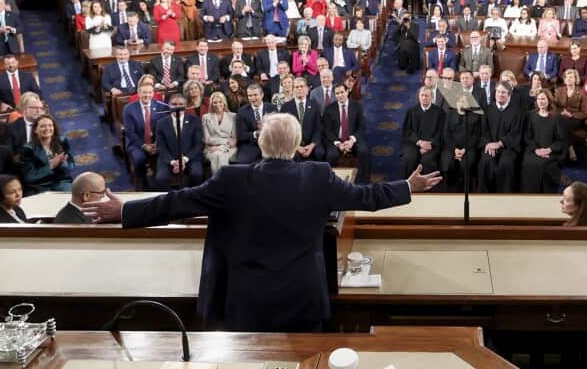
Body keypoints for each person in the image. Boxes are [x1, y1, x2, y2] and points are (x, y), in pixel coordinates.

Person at [83, 113, 441, 332]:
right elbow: (368, 198)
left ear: (261, 143)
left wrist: (125, 211)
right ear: (298, 143)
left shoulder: (231, 180)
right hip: (304, 300)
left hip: (248, 303)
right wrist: (407, 187)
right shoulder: (318, 176)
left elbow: (176, 203)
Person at [479, 82, 523, 192]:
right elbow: (484, 130)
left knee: (505, 164)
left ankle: (504, 197)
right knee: (485, 162)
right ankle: (483, 197)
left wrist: (499, 143)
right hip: (490, 147)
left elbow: (516, 133)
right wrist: (488, 144)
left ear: (509, 95)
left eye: (503, 92)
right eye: (498, 91)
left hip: (508, 147)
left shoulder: (517, 111)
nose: (500, 94)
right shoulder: (488, 109)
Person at [521, 90, 567, 193]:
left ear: (549, 100)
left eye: (543, 99)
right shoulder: (530, 115)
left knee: (544, 164)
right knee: (529, 162)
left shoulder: (556, 117)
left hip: (551, 151)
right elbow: (527, 137)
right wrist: (536, 150)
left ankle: (546, 193)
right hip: (533, 150)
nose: (540, 101)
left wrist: (549, 149)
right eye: (538, 99)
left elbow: (561, 139)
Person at [20, 115, 75, 193]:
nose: (47, 129)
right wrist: (51, 165)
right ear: (35, 130)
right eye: (43, 126)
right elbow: (29, 177)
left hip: (61, 182)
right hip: (41, 185)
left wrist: (63, 163)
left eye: (50, 125)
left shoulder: (62, 141)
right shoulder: (28, 149)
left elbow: (71, 166)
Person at [400, 86, 447, 179]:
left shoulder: (440, 112)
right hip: (414, 143)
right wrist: (419, 142)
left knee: (428, 161)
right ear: (418, 97)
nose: (424, 98)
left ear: (432, 97)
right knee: (409, 158)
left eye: (426, 95)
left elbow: (442, 132)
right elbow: (407, 131)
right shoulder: (411, 111)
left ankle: (428, 189)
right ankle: (409, 187)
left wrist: (430, 144)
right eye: (422, 95)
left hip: (432, 145)